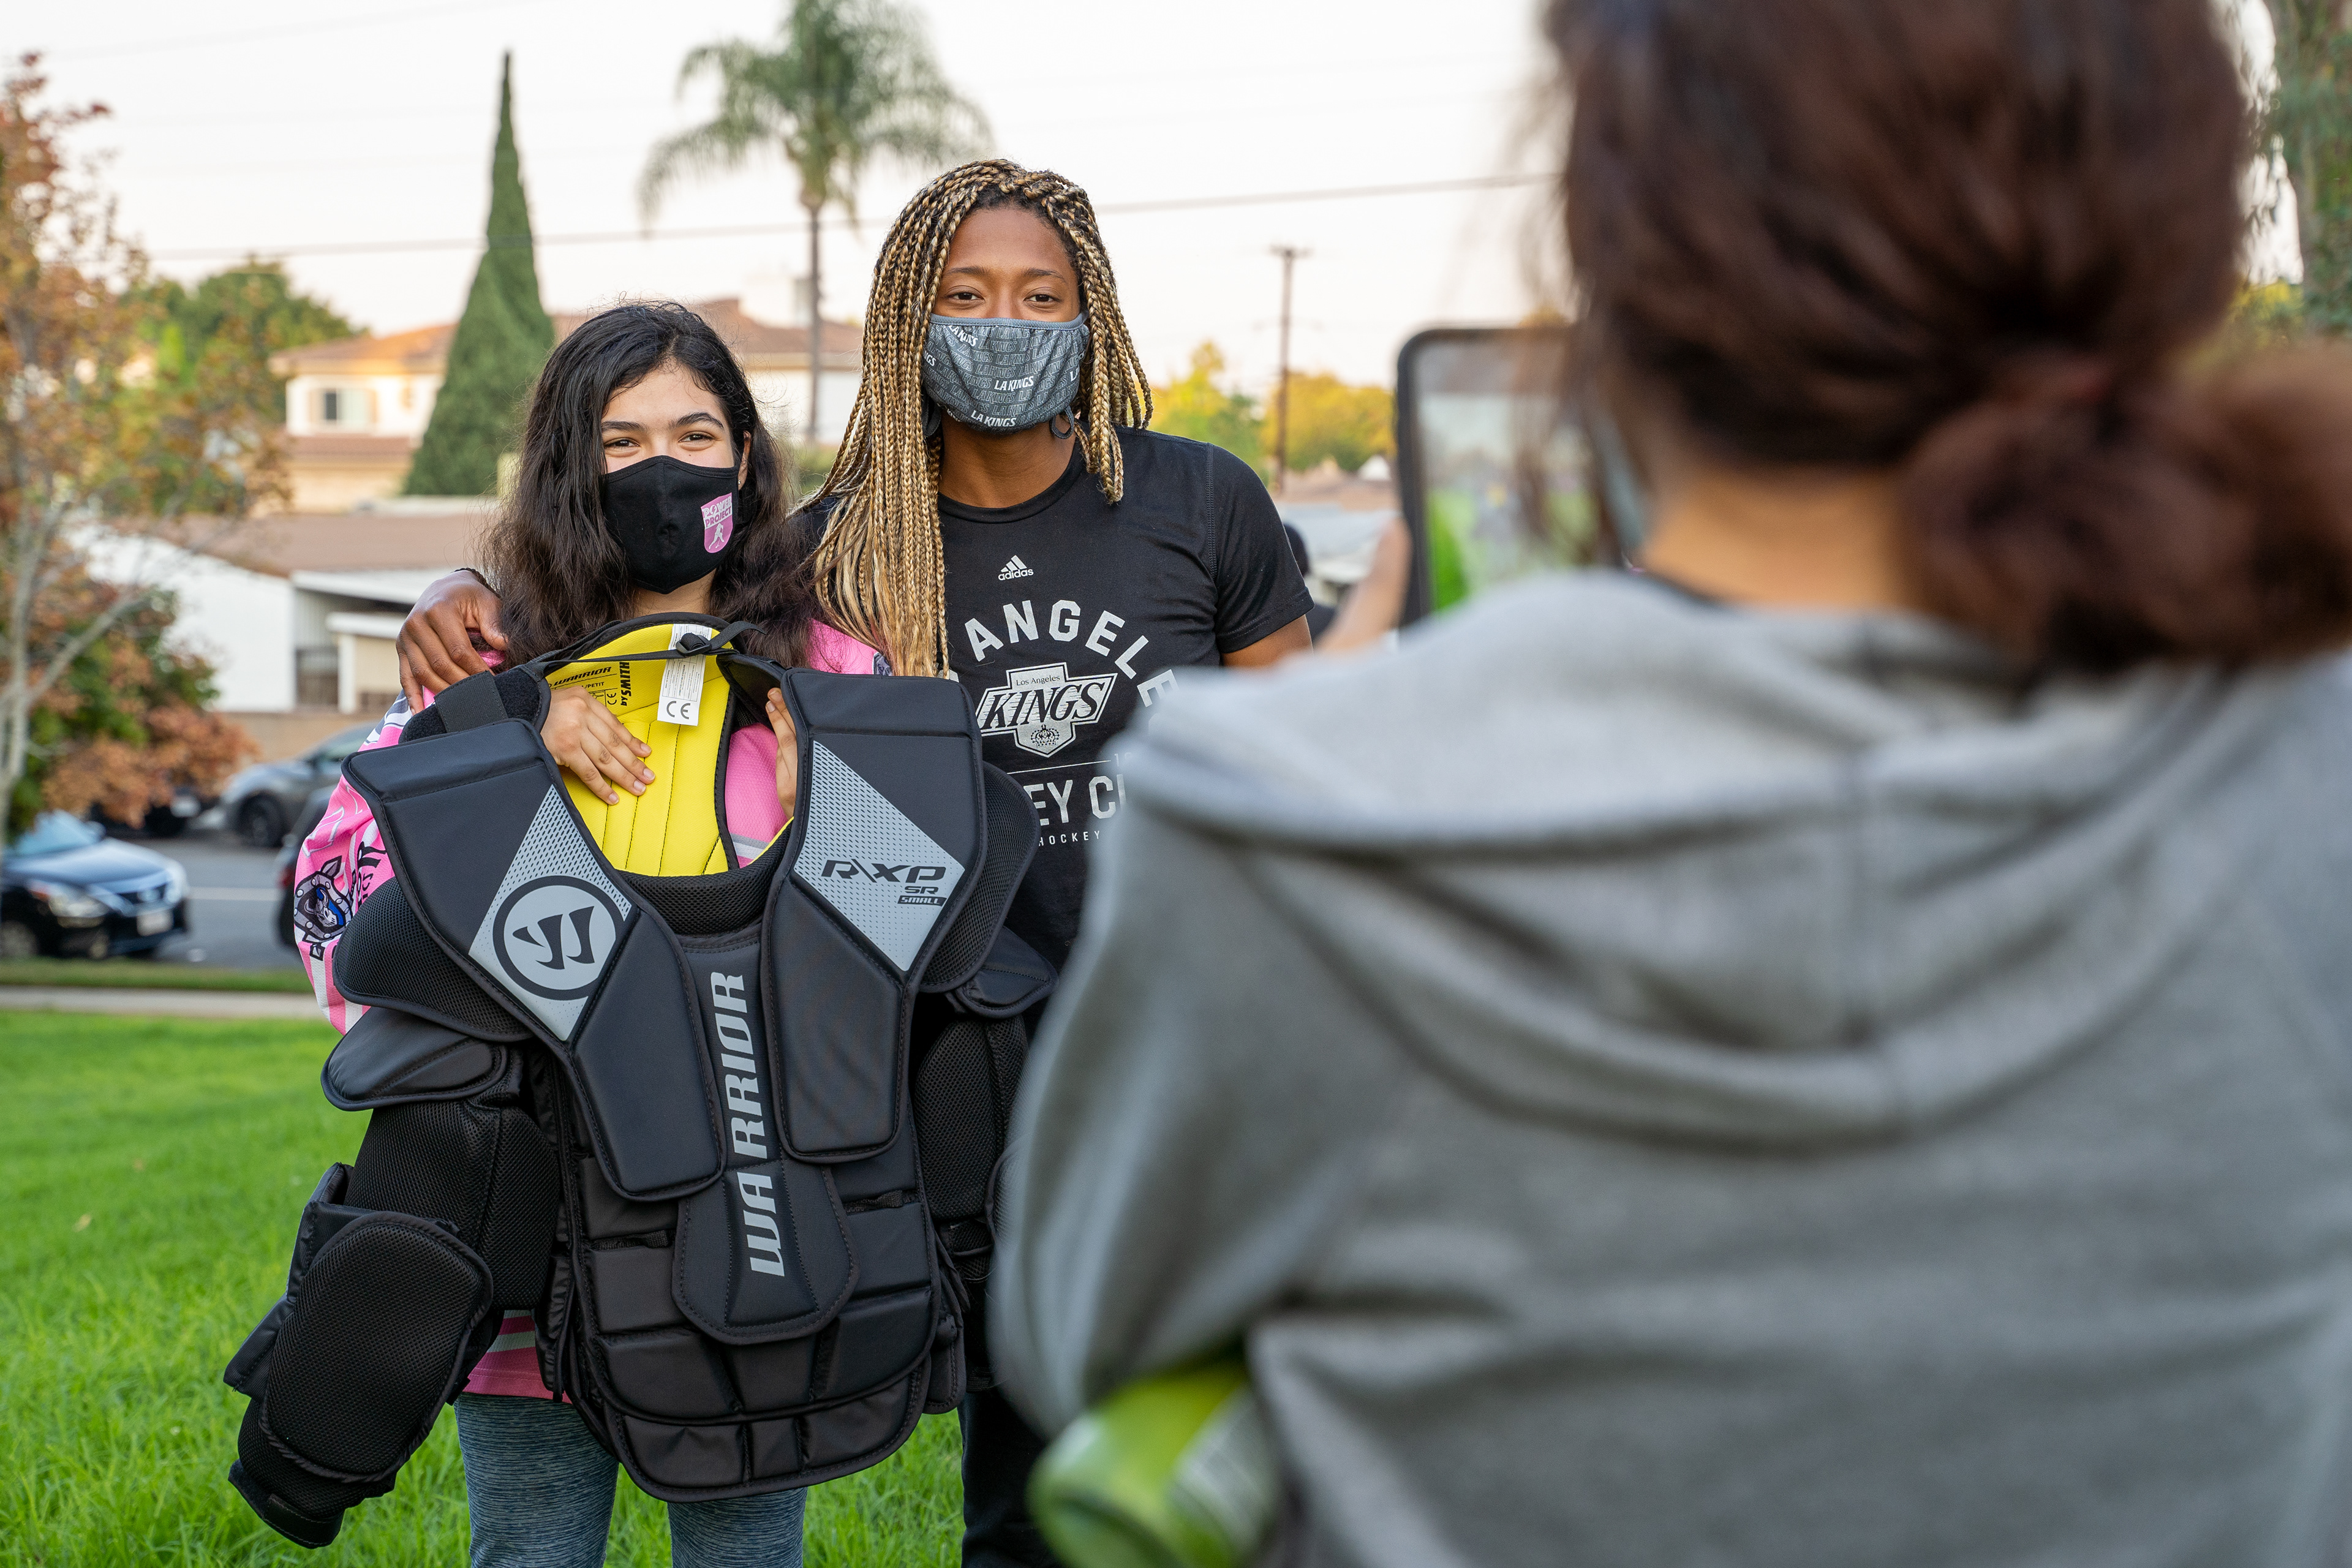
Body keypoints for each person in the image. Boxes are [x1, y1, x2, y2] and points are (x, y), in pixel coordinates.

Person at [992, 2, 2352, 1566]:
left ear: (1621, 266)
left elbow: (1083, 1334)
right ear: (2171, 244)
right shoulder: (2304, 760)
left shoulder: (1298, 820)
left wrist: (1318, 749)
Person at [393, 160, 1314, 1567]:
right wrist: (466, 599)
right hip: (984, 1060)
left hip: (1198, 1041)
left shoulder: (1201, 502)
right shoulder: (838, 553)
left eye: (1042, 298)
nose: (1005, 326)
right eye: (967, 296)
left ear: (1094, 312)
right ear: (905, 322)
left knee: (1256, 1436)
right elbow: (644, 589)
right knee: (1027, 1472)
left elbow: (1306, 768)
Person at [292, 301, 883, 1567]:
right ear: (569, 465)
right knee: (530, 1551)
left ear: (745, 457)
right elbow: (336, 919)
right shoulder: (480, 668)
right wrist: (508, 729)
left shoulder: (835, 674)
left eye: (695, 434)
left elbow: (899, 954)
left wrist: (831, 798)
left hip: (753, 1218)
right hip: (528, 1223)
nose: (663, 470)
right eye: (621, 442)